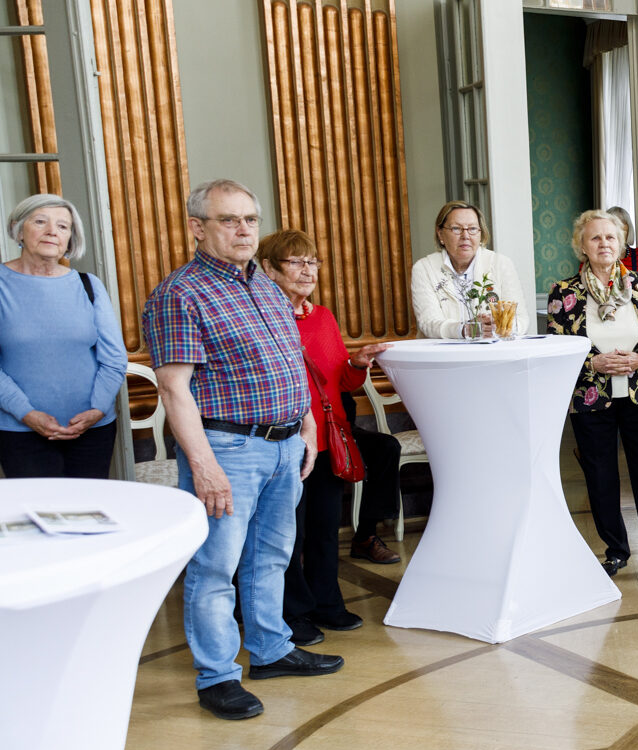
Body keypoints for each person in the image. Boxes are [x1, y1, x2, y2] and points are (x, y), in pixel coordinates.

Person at [142, 179, 342, 721]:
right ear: (197, 228)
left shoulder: (265, 284)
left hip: (283, 445)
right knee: (215, 567)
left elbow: (289, 361)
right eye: (228, 220)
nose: (243, 230)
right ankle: (217, 676)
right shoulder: (179, 294)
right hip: (227, 448)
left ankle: (272, 649)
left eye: (250, 219)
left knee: (271, 557)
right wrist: (204, 467)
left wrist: (306, 426)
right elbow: (175, 391)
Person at [256, 230, 399, 646]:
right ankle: (293, 613)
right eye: (296, 262)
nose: (307, 271)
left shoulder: (323, 318)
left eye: (312, 262)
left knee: (322, 530)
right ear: (268, 268)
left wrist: (357, 364)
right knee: (289, 537)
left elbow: (340, 383)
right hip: (286, 443)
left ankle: (326, 603)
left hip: (326, 440)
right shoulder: (265, 317)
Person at [548, 209, 638, 584]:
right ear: (582, 246)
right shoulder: (565, 293)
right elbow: (558, 348)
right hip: (592, 397)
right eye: (595, 238)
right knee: (600, 476)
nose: (603, 244)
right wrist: (596, 363)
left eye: (610, 237)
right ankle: (616, 551)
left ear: (621, 243)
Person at [0, 194, 127, 478]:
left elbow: (114, 358)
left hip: (93, 431)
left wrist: (96, 410)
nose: (51, 232)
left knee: (90, 515)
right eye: (40, 222)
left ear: (70, 239)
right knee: (40, 516)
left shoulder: (88, 284)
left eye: (62, 227)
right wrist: (27, 414)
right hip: (20, 432)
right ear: (19, 230)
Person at [410, 201, 525, 339]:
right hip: (443, 355)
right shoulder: (424, 268)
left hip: (493, 352)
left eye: (472, 229)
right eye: (456, 229)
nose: (466, 236)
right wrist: (465, 330)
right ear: (440, 234)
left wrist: (500, 326)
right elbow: (428, 323)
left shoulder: (501, 264)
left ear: (481, 234)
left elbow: (521, 319)